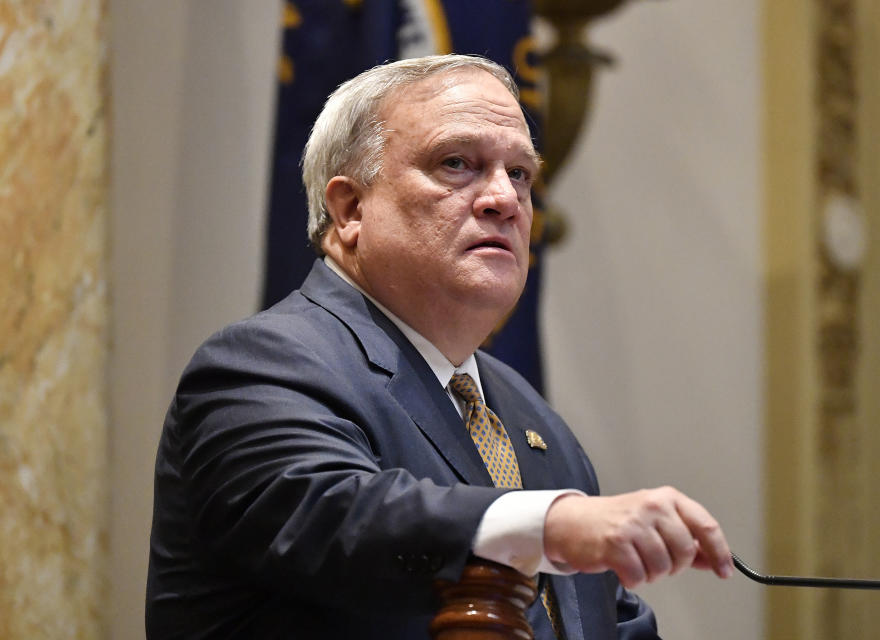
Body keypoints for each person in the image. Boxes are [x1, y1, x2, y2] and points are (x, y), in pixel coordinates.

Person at [146, 54, 734, 640]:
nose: (504, 199)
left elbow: (608, 625)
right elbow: (340, 517)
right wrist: (551, 524)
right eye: (457, 164)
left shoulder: (531, 419)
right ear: (350, 209)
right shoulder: (261, 367)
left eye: (521, 174)